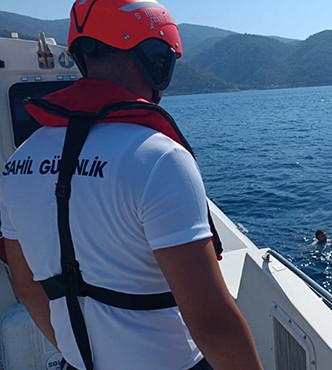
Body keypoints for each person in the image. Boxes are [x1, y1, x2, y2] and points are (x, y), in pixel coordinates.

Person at [0, 1, 262, 369]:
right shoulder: (158, 159)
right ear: (156, 61)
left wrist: (74, 353)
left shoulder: (17, 165)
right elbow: (213, 324)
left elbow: (26, 287)